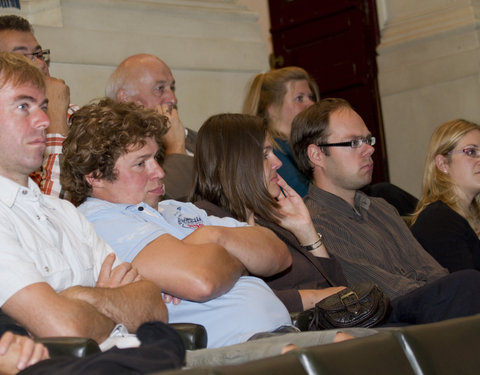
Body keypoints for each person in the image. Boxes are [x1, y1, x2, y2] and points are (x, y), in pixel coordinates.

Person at [60, 98, 378, 366]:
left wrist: (213, 239)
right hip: (222, 350)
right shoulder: (99, 221)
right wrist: (235, 257)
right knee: (339, 358)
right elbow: (202, 281)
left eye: (156, 157)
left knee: (378, 344)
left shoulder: (181, 210)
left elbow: (277, 255)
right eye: (141, 164)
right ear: (95, 176)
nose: (159, 171)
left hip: (282, 334)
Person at [0, 52, 166, 349]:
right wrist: (111, 304)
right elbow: (63, 328)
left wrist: (79, 297)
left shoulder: (65, 212)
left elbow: (155, 308)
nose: (43, 120)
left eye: (44, 106)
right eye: (23, 106)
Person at [290, 97, 480, 324]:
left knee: (465, 286)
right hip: (385, 323)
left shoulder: (382, 208)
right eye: (353, 143)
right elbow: (375, 292)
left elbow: (434, 271)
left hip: (426, 308)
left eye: (367, 140)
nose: (369, 149)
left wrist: (440, 289)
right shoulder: (312, 222)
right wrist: (440, 289)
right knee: (468, 284)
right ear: (316, 155)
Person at [189, 113, 347, 312]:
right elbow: (235, 304)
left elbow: (339, 288)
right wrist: (315, 298)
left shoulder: (269, 219)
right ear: (236, 164)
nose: (277, 163)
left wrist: (306, 231)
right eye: (265, 155)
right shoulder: (206, 223)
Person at [0, 15, 73, 197]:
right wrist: (56, 124)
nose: (39, 64)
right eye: (22, 57)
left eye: (39, 55)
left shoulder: (78, 115)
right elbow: (47, 215)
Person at [106, 53, 196, 201]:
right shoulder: (114, 148)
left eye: (172, 88)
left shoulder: (197, 139)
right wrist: (176, 148)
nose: (173, 98)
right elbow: (161, 204)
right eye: (160, 88)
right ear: (125, 98)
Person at [410, 119, 480, 272]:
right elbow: (468, 291)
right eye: (471, 152)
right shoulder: (438, 221)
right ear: (443, 164)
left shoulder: (468, 218)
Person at [243, 66, 318, 197]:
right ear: (272, 108)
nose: (311, 104)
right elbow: (306, 197)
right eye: (299, 98)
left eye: (311, 97)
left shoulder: (298, 146)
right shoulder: (273, 152)